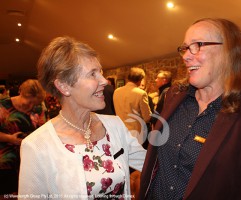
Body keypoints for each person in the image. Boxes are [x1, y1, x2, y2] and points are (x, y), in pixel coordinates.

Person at [139, 18, 241, 200]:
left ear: (228, 52)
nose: (186, 55)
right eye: (185, 48)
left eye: (197, 45)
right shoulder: (175, 96)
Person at [18, 36, 146, 199]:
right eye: (92, 74)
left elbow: (151, 163)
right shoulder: (37, 146)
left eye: (100, 71)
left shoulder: (115, 126)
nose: (104, 81)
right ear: (64, 86)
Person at [0, 79, 46, 195]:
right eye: (28, 102)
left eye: (34, 103)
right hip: (6, 160)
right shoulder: (3, 106)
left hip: (31, 158)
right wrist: (10, 139)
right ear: (20, 92)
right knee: (8, 194)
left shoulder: (39, 108)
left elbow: (45, 130)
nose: (31, 107)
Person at [113, 67, 152, 146]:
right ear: (140, 79)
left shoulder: (117, 91)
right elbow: (147, 117)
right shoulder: (141, 93)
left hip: (119, 131)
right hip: (135, 133)